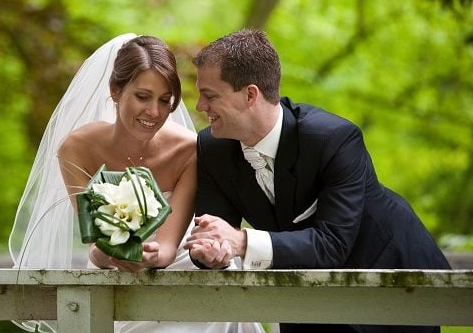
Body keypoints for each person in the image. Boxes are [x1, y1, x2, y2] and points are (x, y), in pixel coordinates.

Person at [183, 29, 451, 333]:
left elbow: (333, 243)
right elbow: (212, 233)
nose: (200, 107)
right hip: (302, 296)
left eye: (210, 96)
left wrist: (242, 241)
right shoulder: (212, 148)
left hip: (390, 284)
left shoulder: (333, 138)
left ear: (250, 95)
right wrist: (210, 252)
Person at [9, 33, 266, 333]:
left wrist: (149, 255)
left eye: (165, 101)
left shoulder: (189, 150)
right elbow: (95, 245)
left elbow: (168, 247)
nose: (154, 112)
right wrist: (110, 252)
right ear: (116, 91)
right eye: (142, 97)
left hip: (187, 275)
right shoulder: (76, 149)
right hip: (116, 279)